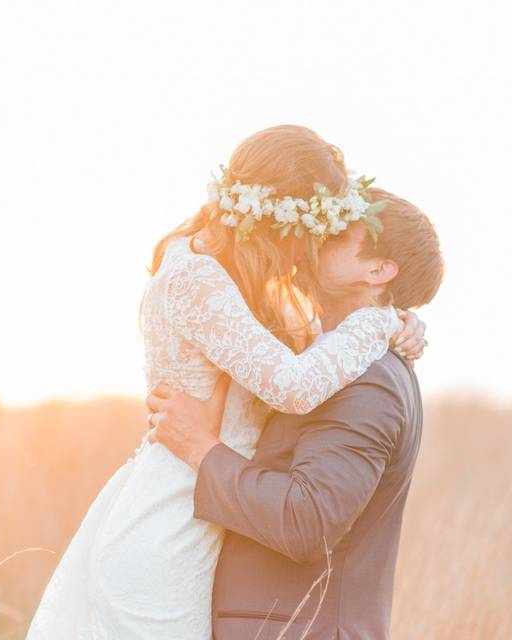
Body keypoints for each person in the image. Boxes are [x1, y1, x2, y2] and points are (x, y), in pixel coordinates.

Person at [25, 125, 426, 639]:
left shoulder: (244, 281)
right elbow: (293, 386)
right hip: (168, 527)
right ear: (284, 217)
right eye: (318, 225)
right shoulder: (198, 278)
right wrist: (379, 321)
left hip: (196, 524)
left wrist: (398, 316)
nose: (315, 243)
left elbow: (314, 349)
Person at [146, 189, 444, 639]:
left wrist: (202, 450)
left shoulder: (370, 383)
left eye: (338, 229)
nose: (313, 234)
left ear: (378, 270)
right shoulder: (329, 361)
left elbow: (307, 522)